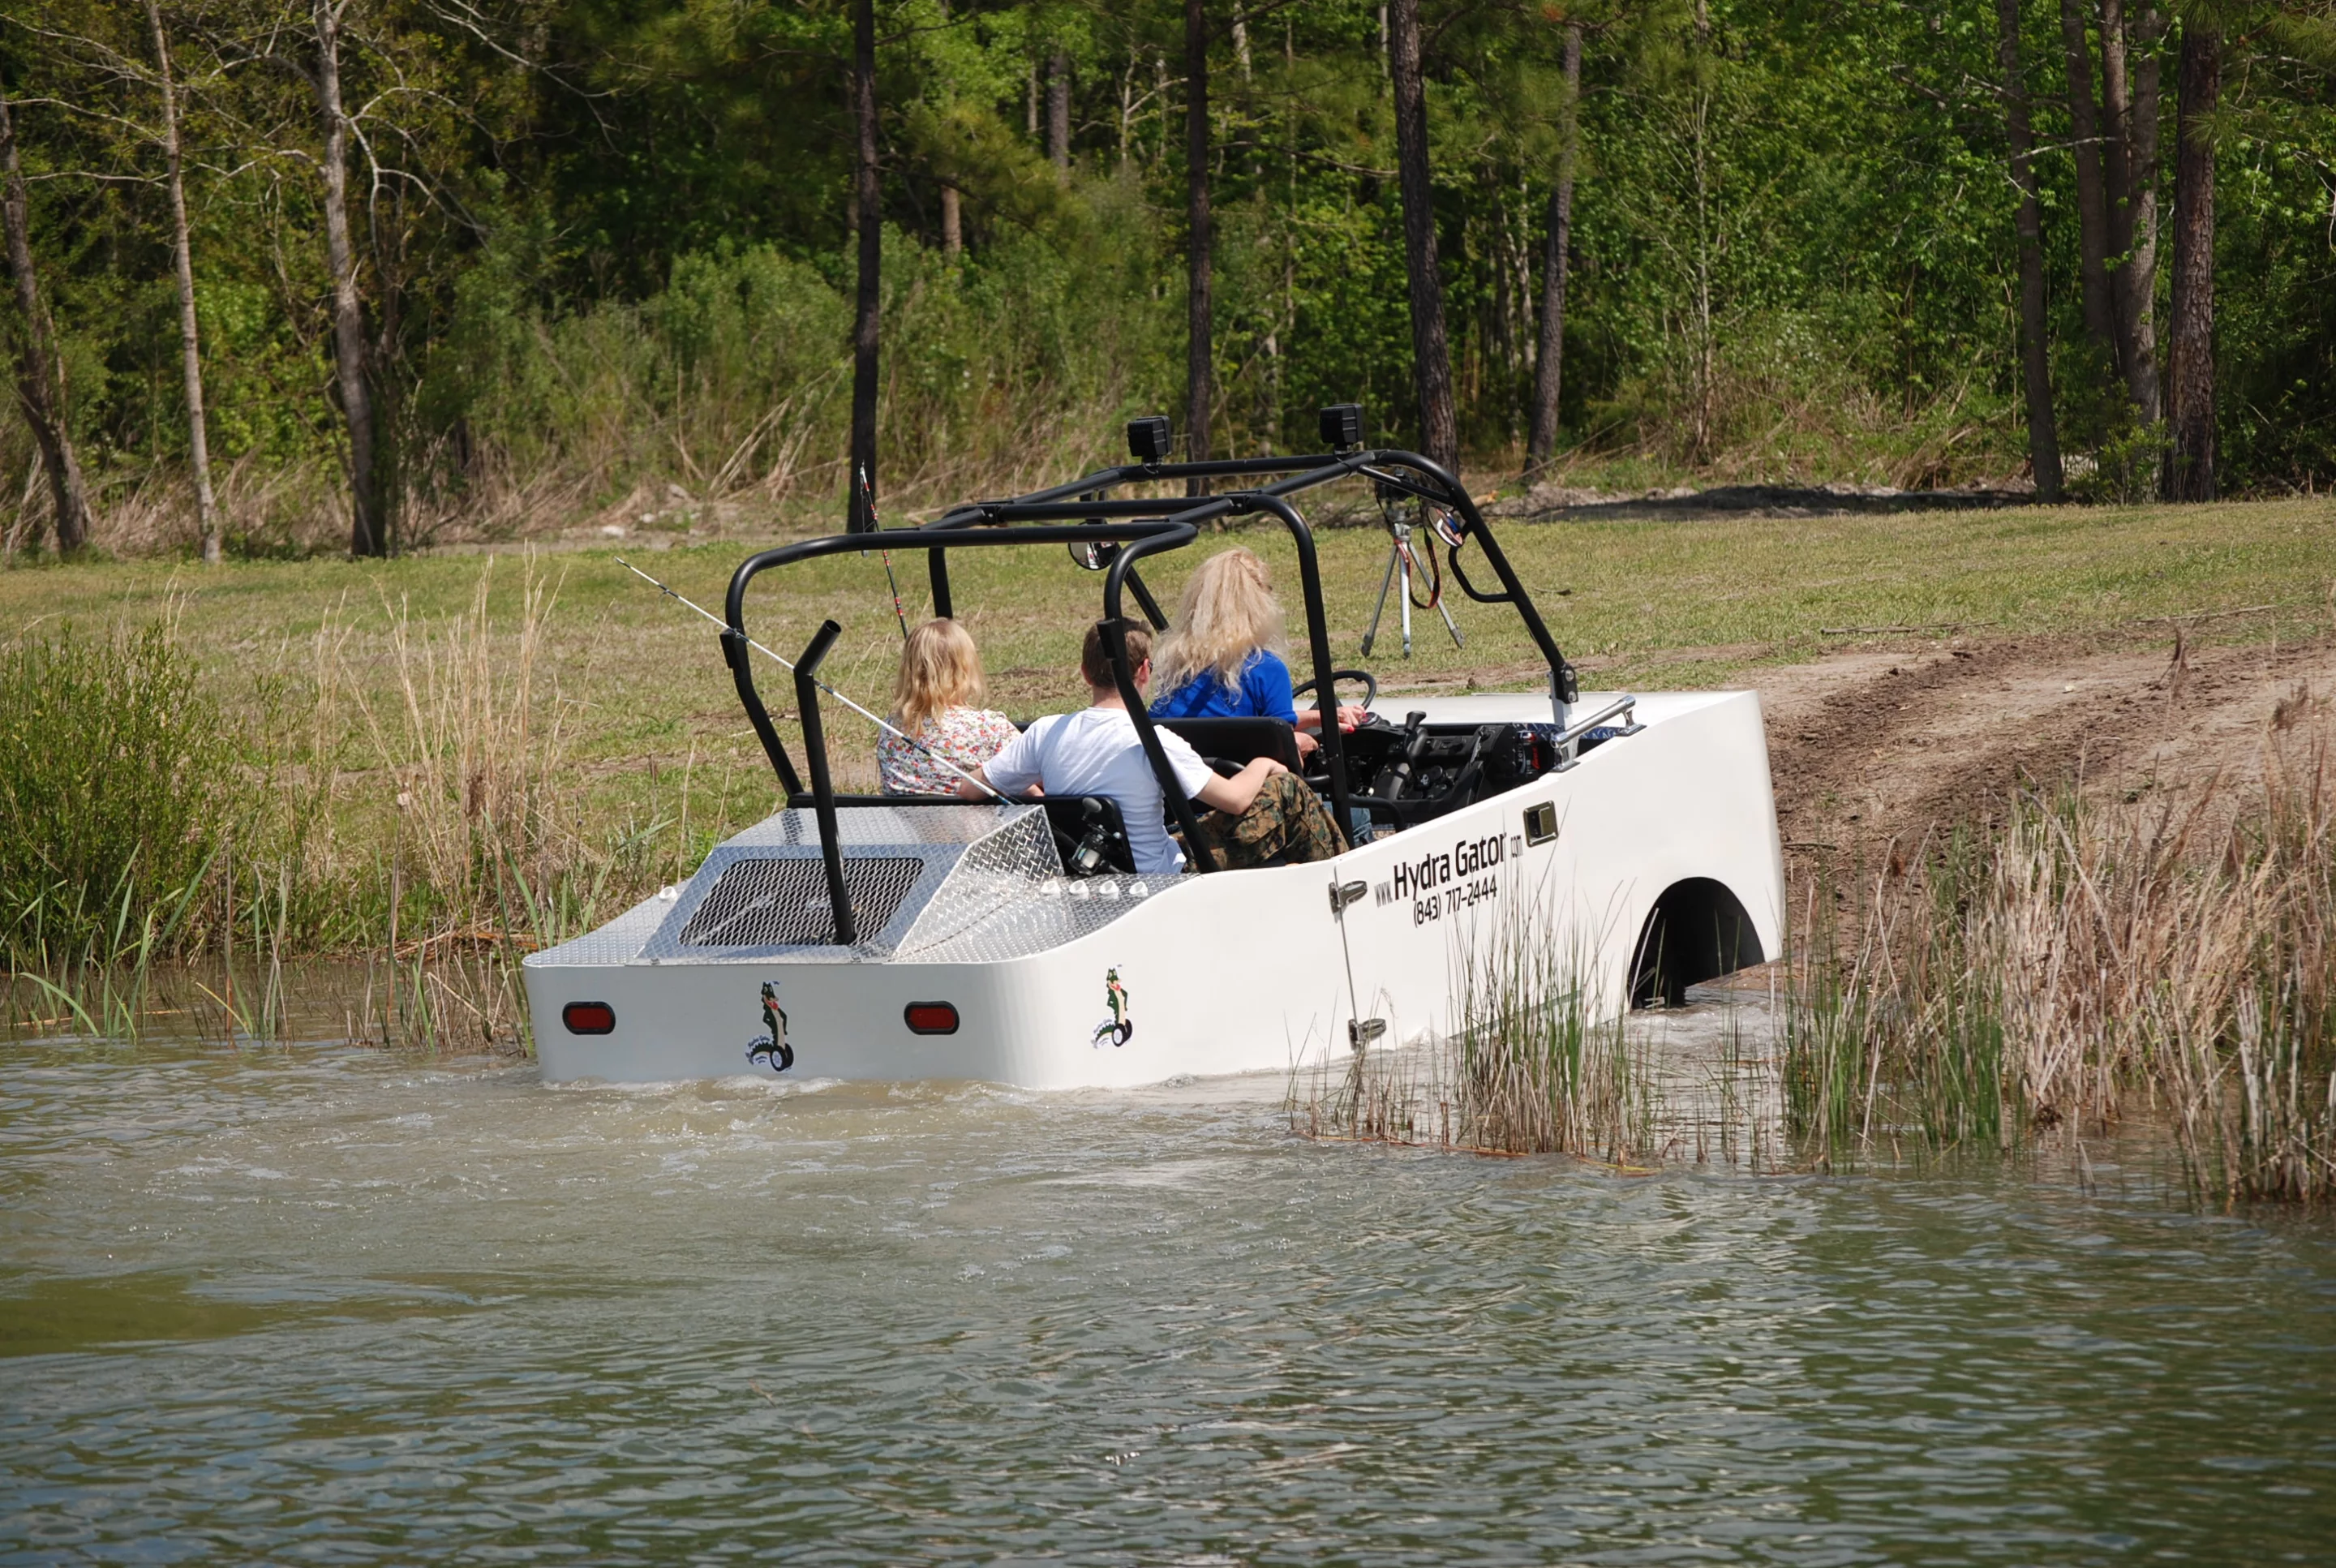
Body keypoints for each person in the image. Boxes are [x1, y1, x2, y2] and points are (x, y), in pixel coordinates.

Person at [956, 623, 1345, 874]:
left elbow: (970, 789)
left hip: (1090, 866)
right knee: (1288, 793)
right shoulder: (1154, 741)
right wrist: (1265, 762)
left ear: (1085, 673)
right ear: (1144, 671)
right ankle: (1343, 876)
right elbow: (1235, 800)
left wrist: (1031, 788)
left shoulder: (1045, 732)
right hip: (1159, 875)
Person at [1148, 547, 1369, 757]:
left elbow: (1232, 725)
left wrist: (1318, 717)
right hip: (1249, 788)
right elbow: (1278, 743)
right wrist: (1300, 741)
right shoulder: (1265, 669)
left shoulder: (1176, 666)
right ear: (1259, 604)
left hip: (1182, 786)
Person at [878, 618, 1020, 796]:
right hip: (980, 823)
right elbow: (1038, 772)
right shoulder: (990, 727)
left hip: (904, 824)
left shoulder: (891, 729)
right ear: (966, 667)